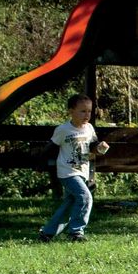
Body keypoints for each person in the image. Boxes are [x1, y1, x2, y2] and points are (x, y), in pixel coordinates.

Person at [38, 93, 109, 242]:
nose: (87, 115)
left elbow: (93, 147)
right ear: (71, 111)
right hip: (67, 172)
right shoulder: (63, 130)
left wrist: (100, 148)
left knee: (70, 203)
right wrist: (40, 162)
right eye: (82, 111)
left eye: (89, 111)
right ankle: (76, 232)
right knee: (85, 197)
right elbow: (50, 148)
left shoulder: (89, 128)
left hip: (82, 171)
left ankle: (47, 233)